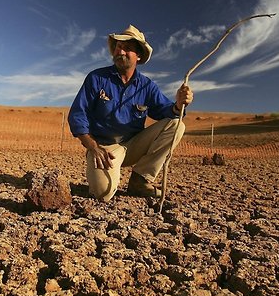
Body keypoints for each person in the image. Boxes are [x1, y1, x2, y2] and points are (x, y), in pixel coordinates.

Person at [68, 25, 193, 201]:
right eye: (119, 47)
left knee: (176, 125)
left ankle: (140, 181)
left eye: (127, 48)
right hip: (104, 148)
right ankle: (107, 175)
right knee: (102, 194)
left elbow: (166, 111)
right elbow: (78, 114)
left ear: (139, 55)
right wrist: (93, 147)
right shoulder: (97, 78)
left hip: (134, 144)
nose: (121, 51)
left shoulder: (146, 86)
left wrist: (179, 104)